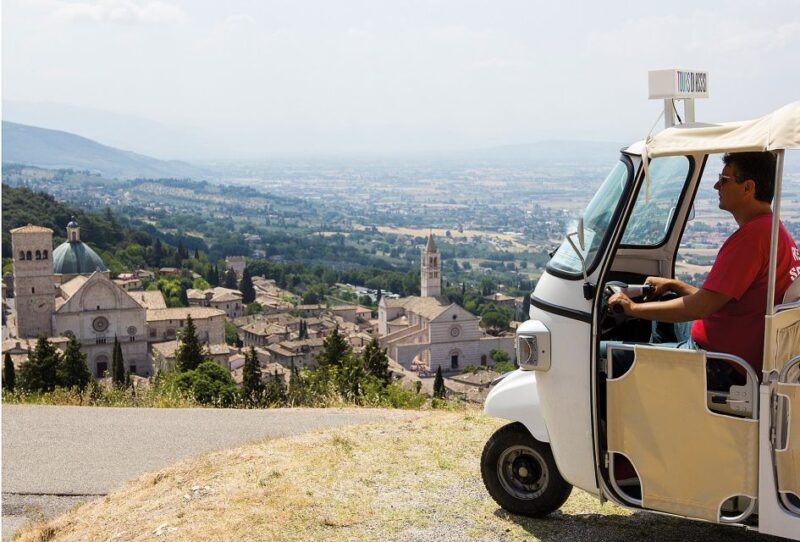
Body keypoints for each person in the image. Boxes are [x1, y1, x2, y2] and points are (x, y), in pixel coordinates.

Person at [608, 151, 800, 377]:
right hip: (732, 347)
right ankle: (659, 372)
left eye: (724, 180)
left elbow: (702, 307)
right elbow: (717, 301)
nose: (717, 186)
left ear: (748, 188)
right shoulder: (774, 231)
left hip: (721, 363)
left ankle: (654, 374)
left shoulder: (751, 239)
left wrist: (633, 309)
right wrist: (673, 285)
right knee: (667, 300)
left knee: (605, 356)